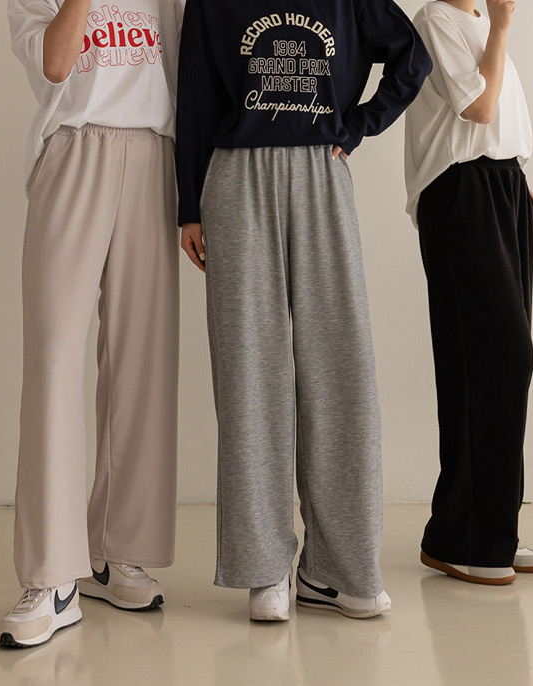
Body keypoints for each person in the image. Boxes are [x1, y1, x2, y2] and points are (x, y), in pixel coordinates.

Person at [177, 0, 432, 621]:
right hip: (235, 176)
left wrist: (359, 124)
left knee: (341, 368)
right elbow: (196, 97)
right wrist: (188, 205)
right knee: (250, 376)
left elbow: (412, 55)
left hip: (322, 167)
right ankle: (265, 568)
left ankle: (339, 570)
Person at [0, 0, 184, 648]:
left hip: (154, 153)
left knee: (143, 360)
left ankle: (115, 551)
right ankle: (52, 577)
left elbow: (191, 63)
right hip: (73, 148)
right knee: (54, 359)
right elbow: (55, 63)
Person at [405, 0, 533, 585]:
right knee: (494, 361)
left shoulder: (484, 25)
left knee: (498, 368)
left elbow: (500, 119)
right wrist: (503, 26)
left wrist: (514, 175)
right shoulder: (435, 20)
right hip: (461, 191)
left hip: (503, 188)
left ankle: (494, 531)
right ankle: (460, 537)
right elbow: (479, 107)